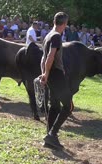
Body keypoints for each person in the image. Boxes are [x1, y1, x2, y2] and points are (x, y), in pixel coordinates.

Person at [40, 12, 71, 150]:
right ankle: (52, 134)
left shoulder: (48, 35)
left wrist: (44, 73)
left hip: (51, 75)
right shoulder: (57, 37)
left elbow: (43, 58)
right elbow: (50, 57)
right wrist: (47, 73)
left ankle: (49, 137)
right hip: (56, 74)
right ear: (64, 24)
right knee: (68, 106)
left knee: (55, 106)